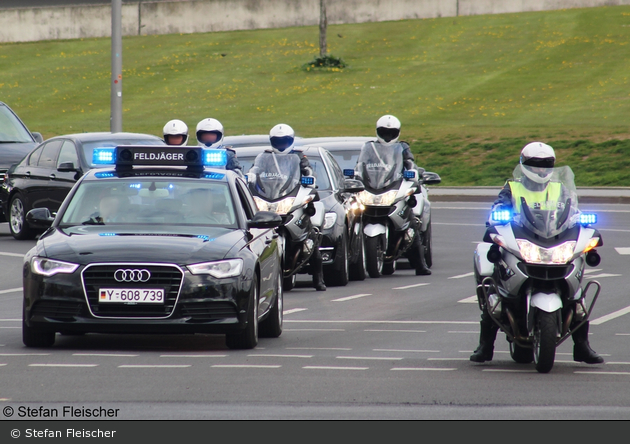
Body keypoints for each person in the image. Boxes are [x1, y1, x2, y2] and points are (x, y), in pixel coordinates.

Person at [470, 141, 604, 364]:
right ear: (524, 165)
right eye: (535, 165)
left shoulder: (559, 189)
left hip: (554, 241)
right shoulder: (512, 188)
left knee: (577, 298)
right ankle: (485, 347)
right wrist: (498, 215)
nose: (541, 170)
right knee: (496, 292)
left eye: (545, 165)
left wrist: (580, 220)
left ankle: (582, 347)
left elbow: (573, 210)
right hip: (524, 240)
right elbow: (498, 208)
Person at [249, 123, 326, 291]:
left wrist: (309, 178)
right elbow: (255, 171)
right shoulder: (264, 157)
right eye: (277, 141)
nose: (281, 144)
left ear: (290, 140)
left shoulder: (299, 157)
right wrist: (251, 178)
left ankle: (318, 279)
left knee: (311, 234)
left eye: (284, 141)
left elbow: (309, 172)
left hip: (291, 197)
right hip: (271, 197)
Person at [357, 114, 432, 276]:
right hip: (374, 188)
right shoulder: (369, 148)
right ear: (377, 131)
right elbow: (360, 165)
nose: (387, 136)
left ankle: (421, 265)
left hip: (394, 188)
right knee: (356, 216)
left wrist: (412, 175)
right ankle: (356, 261)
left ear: (397, 133)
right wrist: (357, 177)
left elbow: (410, 163)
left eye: (391, 132)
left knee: (411, 223)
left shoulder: (403, 148)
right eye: (384, 132)